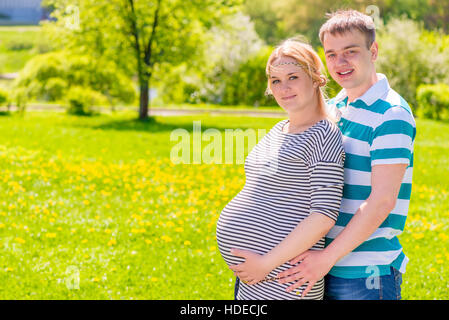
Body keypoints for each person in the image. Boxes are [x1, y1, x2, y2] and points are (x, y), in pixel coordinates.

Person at [277, 9, 416, 300]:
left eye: (350, 52)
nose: (339, 63)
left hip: (365, 274)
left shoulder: (391, 114)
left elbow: (381, 202)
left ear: (373, 50)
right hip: (323, 265)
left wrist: (326, 258)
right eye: (331, 54)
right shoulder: (339, 104)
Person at [216, 38, 345, 300]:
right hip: (257, 277)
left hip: (285, 279)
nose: (283, 88)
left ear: (315, 79)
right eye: (275, 80)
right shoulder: (279, 129)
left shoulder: (323, 134)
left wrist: (266, 263)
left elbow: (323, 216)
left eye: (292, 77)